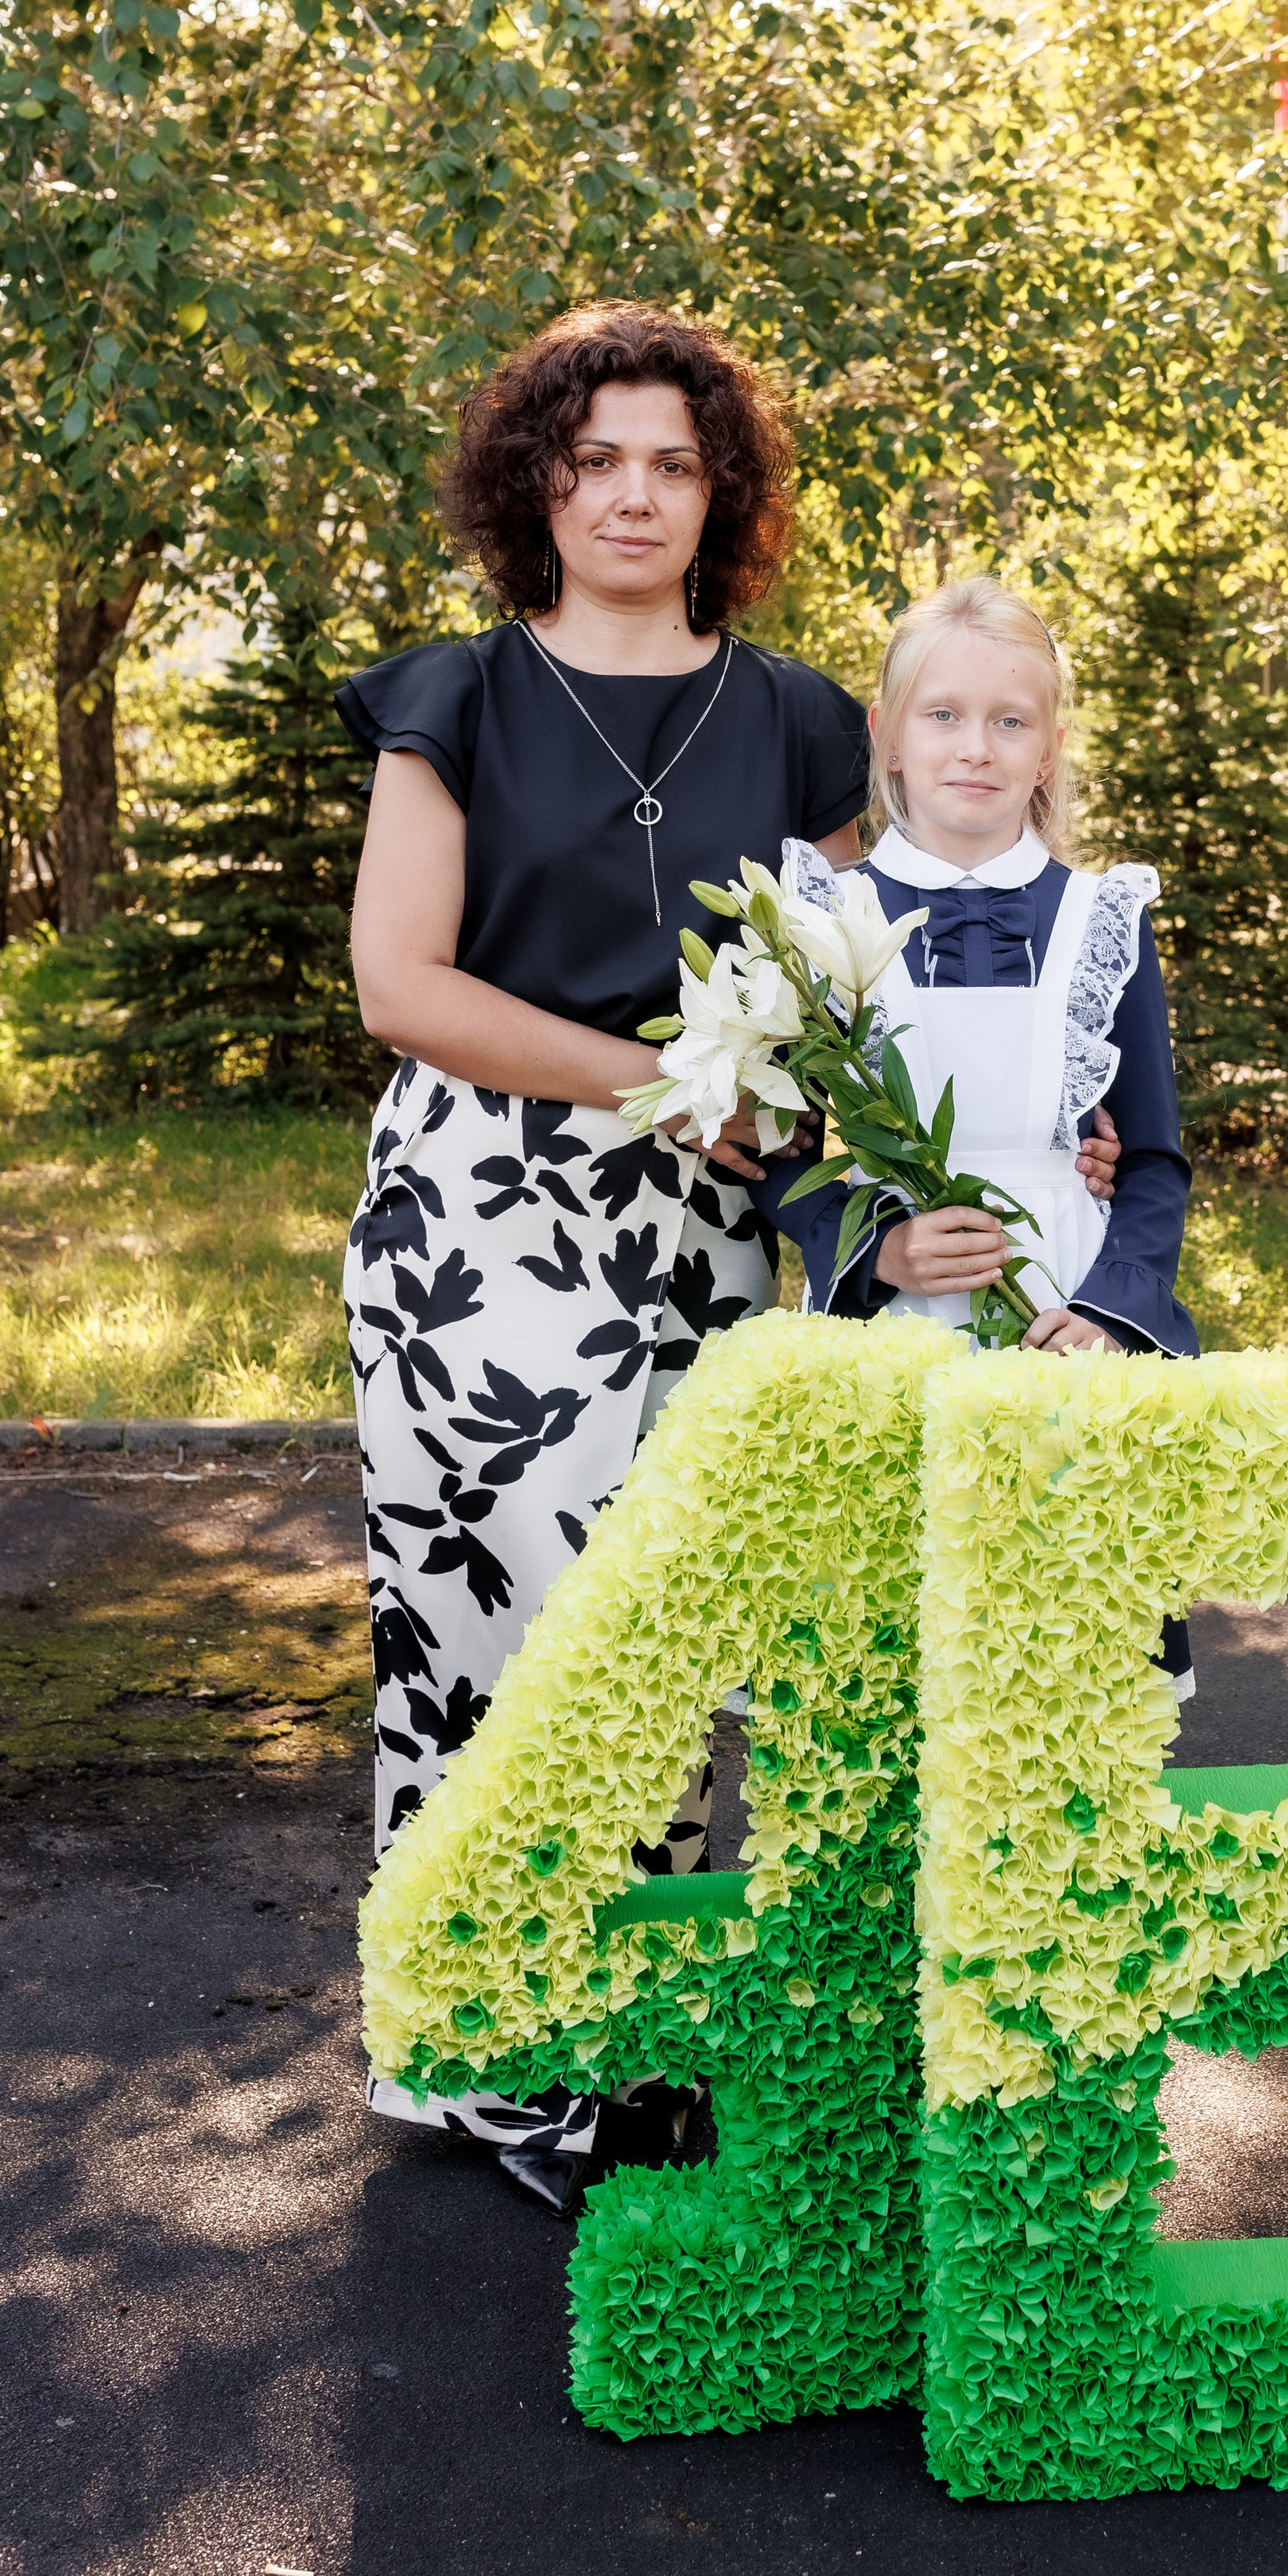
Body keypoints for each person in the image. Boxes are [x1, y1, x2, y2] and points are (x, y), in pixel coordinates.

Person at [338, 308, 1117, 2213]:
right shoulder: (454, 696)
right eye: (592, 456)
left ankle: (631, 2035)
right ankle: (487, 2050)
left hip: (705, 1235)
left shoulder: (788, 720)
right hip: (478, 1223)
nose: (628, 491)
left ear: (720, 493)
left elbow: (888, 967)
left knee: (664, 1635)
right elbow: (399, 985)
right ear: (536, 478)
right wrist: (663, 1078)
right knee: (495, 1629)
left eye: (669, 462)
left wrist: (1040, 1122)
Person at [755, 575, 1198, 1692]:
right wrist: (877, 1252)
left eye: (1011, 721)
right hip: (892, 1321)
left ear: (1048, 750)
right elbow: (780, 1153)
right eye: (943, 715)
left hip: (1062, 1313)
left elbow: (1150, 1156)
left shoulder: (1105, 920)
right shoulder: (824, 914)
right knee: (891, 1663)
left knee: (1067, 1669)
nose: (977, 748)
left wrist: (1111, 1311)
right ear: (889, 738)